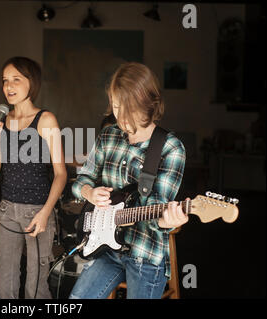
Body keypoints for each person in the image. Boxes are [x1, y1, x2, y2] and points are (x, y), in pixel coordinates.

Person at [69, 62, 188, 299]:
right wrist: (88, 192)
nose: (120, 116)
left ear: (148, 103)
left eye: (128, 108)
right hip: (106, 249)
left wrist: (167, 222)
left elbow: (158, 209)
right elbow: (80, 180)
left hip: (145, 253)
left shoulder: (171, 148)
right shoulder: (108, 136)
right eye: (115, 106)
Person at [0, 56, 67, 299]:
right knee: (6, 286)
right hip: (7, 210)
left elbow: (61, 174)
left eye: (16, 80)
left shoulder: (45, 120)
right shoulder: (2, 122)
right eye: (5, 81)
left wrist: (45, 213)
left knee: (36, 288)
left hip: (38, 212)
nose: (8, 86)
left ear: (32, 83)